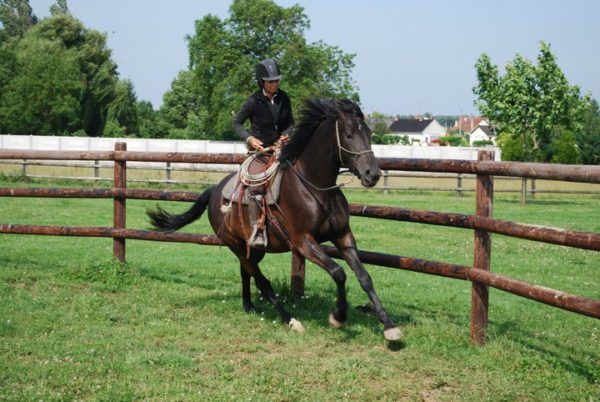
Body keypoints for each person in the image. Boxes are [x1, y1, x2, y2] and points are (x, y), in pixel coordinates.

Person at [233, 59, 294, 247]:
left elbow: (292, 123)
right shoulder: (253, 101)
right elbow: (237, 123)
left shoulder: (284, 98)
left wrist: (286, 135)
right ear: (261, 82)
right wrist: (249, 139)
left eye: (277, 80)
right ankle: (257, 229)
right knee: (256, 184)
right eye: (271, 81)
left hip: (282, 150)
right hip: (262, 152)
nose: (275, 84)